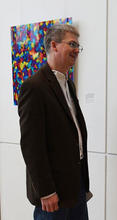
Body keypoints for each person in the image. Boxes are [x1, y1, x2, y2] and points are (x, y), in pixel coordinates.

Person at [18, 24, 92, 220]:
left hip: (76, 186)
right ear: (54, 45)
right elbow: (31, 146)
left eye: (78, 45)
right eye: (72, 44)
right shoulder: (34, 87)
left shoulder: (68, 83)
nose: (77, 50)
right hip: (53, 193)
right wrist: (46, 191)